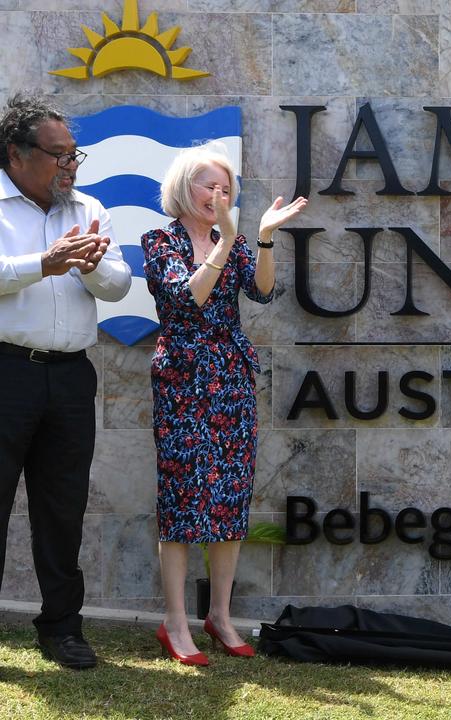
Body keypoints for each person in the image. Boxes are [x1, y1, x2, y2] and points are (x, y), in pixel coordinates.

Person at [142, 143, 306, 665]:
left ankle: (219, 615)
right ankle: (174, 623)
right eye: (209, 185)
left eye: (226, 187)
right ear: (183, 188)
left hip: (230, 374)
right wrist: (226, 243)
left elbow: (261, 292)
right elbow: (186, 297)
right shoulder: (159, 239)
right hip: (182, 377)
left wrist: (260, 239)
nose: (219, 194)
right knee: (183, 495)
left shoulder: (230, 239)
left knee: (230, 495)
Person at [0, 93, 130, 670]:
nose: (71, 167)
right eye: (59, 156)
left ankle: (62, 628)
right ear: (16, 154)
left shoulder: (88, 207)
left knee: (63, 507)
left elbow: (120, 284)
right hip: (5, 372)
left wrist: (91, 263)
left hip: (71, 379)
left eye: (75, 155)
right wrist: (43, 264)